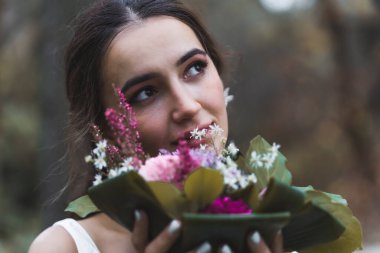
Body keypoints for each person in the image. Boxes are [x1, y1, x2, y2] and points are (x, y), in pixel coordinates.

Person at [29, 0, 284, 252]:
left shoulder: (278, 230)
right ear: (108, 128)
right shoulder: (66, 246)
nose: (187, 106)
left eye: (195, 68)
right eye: (146, 93)